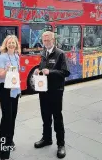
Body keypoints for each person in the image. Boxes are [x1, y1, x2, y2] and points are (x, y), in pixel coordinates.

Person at [34, 31, 70, 159]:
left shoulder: (60, 53)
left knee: (57, 118)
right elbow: (42, 68)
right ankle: (47, 138)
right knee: (45, 116)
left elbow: (65, 72)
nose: (46, 42)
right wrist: (38, 71)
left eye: (48, 40)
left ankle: (61, 144)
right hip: (43, 91)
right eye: (44, 40)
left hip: (56, 91)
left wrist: (50, 72)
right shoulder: (43, 53)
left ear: (53, 40)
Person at [0, 35, 21, 160]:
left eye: (13, 43)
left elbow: (16, 74)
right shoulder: (2, 57)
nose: (11, 44)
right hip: (5, 90)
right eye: (9, 42)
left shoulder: (17, 56)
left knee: (13, 117)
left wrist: (19, 88)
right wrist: (6, 70)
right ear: (6, 44)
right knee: (6, 118)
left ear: (16, 44)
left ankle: (10, 141)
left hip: (15, 90)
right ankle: (3, 149)